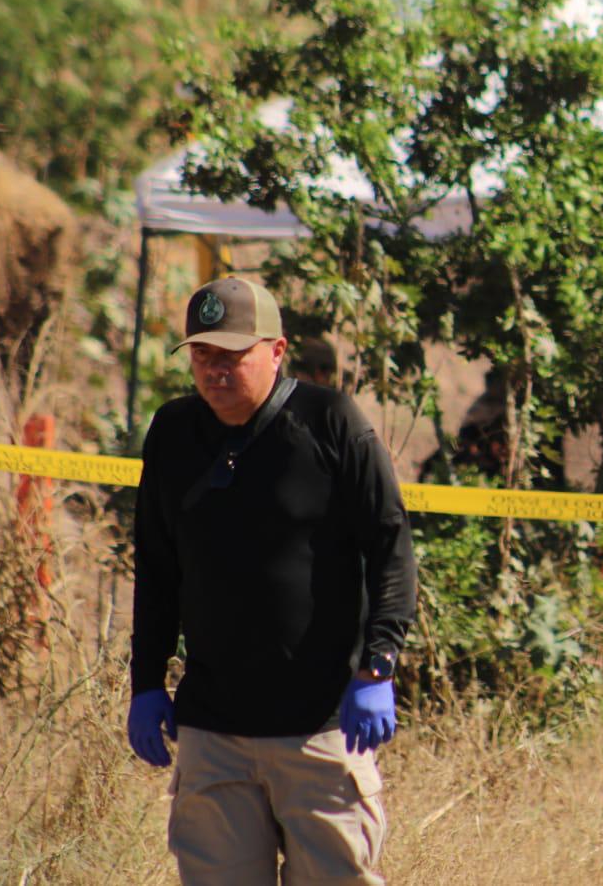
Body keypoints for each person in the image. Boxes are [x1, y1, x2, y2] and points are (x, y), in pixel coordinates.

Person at [127, 276, 416, 885]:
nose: (215, 369)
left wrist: (379, 664)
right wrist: (146, 682)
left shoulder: (331, 422)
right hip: (213, 731)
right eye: (203, 354)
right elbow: (155, 565)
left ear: (277, 350)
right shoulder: (174, 433)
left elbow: (389, 546)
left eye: (234, 355)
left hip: (320, 726)